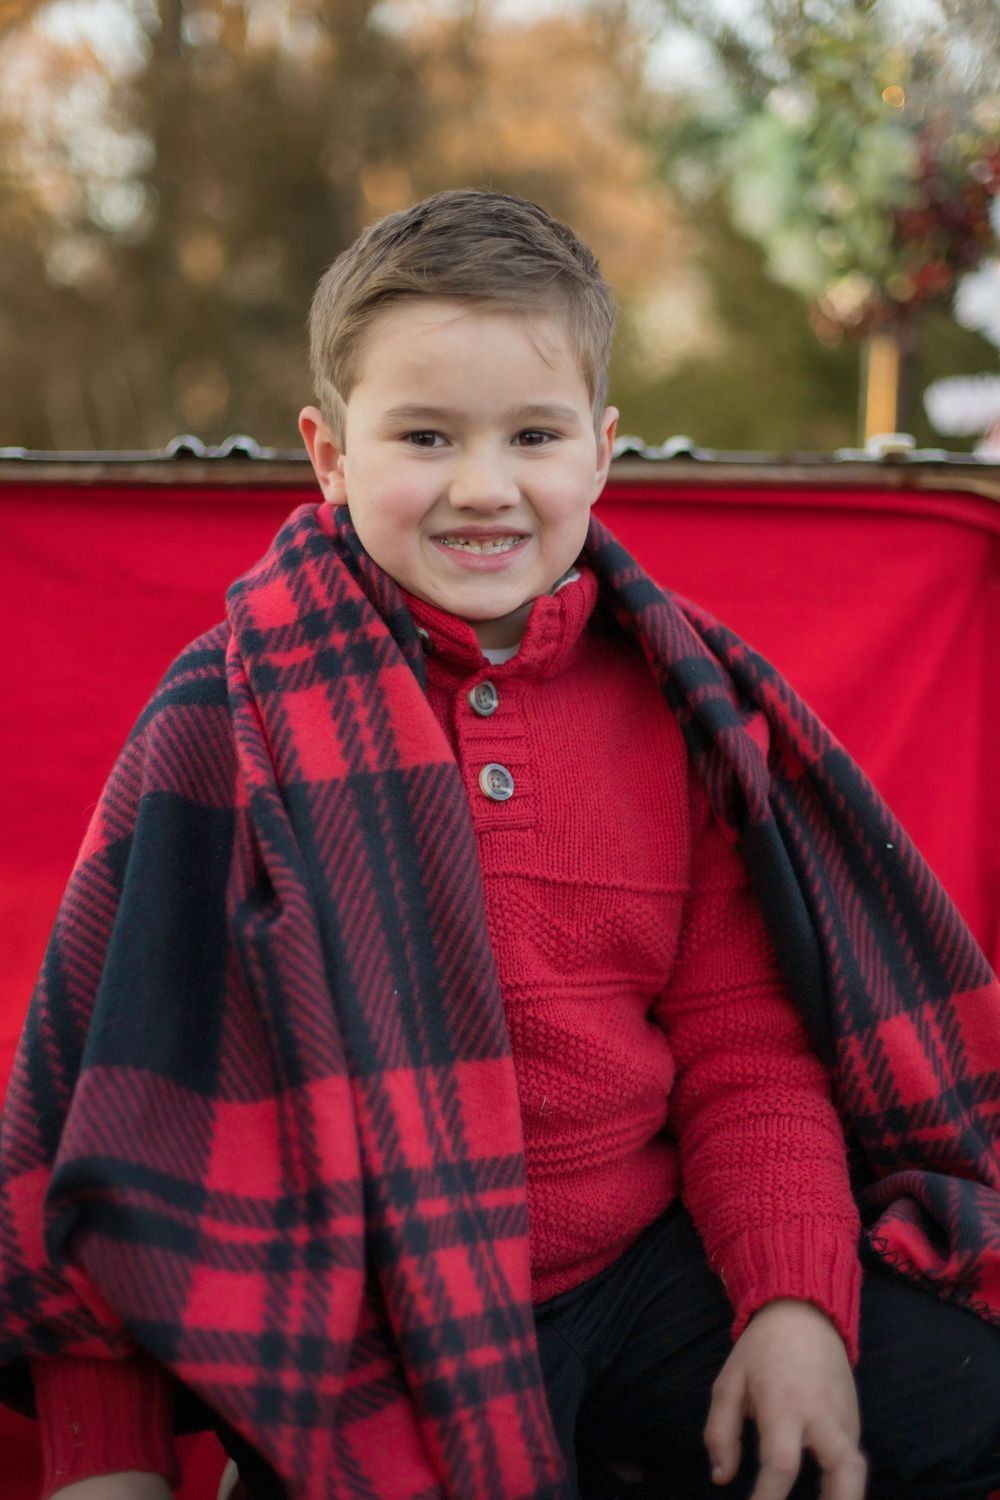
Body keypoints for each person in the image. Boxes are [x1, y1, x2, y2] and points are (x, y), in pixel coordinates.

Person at [1, 189, 998, 1500]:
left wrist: (790, 1304)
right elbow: (122, 1101)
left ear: (602, 450)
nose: (485, 487)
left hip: (633, 1269)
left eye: (534, 434)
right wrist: (105, 1461)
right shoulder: (229, 716)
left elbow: (743, 1050)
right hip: (363, 1310)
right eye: (425, 435)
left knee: (964, 1400)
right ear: (329, 455)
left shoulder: (672, 700)